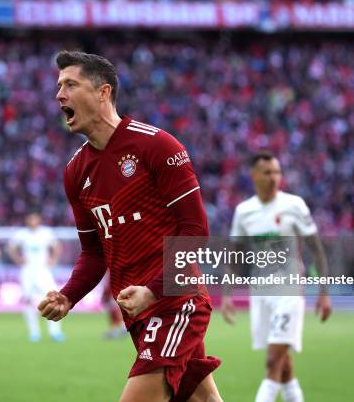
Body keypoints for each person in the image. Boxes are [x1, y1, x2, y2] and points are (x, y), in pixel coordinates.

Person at [38, 50, 222, 402]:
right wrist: (67, 296)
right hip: (136, 312)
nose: (59, 94)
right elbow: (94, 253)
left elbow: (195, 231)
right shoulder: (75, 173)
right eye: (58, 86)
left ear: (103, 93)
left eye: (70, 85)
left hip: (175, 301)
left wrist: (153, 290)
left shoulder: (156, 145)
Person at [221, 152, 332, 402]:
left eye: (277, 172)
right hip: (261, 292)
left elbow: (316, 249)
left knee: (272, 360)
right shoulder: (244, 211)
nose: (274, 178)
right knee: (282, 360)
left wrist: (324, 292)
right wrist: (227, 295)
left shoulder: (294, 205)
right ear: (253, 176)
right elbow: (235, 256)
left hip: (289, 290)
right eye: (267, 172)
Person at [8, 212, 64, 342]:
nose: (32, 220)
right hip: (27, 272)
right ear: (27, 219)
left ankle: (55, 331)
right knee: (28, 301)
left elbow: (56, 246)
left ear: (39, 219)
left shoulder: (46, 233)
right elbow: (11, 247)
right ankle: (34, 332)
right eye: (30, 218)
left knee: (54, 299)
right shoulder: (21, 234)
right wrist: (17, 259)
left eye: (34, 218)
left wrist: (53, 259)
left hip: (43, 271)